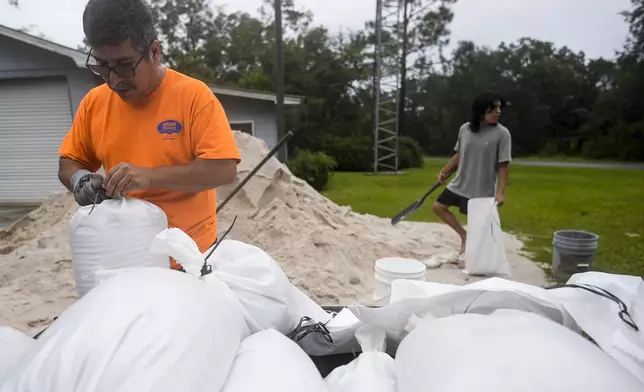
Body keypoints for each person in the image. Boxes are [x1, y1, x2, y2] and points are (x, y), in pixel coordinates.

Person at [58, 0, 240, 269]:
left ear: (154, 52)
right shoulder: (94, 103)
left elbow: (223, 170)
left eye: (124, 64)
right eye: (102, 65)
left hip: (189, 258)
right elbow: (69, 163)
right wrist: (80, 180)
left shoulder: (193, 97)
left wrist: (149, 176)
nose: (114, 79)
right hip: (124, 257)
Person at [432, 92, 512, 264]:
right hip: (460, 183)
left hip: (482, 189)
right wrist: (445, 171)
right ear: (481, 111)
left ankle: (476, 254)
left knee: (480, 227)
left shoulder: (502, 134)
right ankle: (464, 236)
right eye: (493, 108)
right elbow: (460, 153)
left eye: (499, 107)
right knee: (438, 207)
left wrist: (501, 192)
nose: (498, 111)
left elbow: (503, 165)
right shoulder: (465, 129)